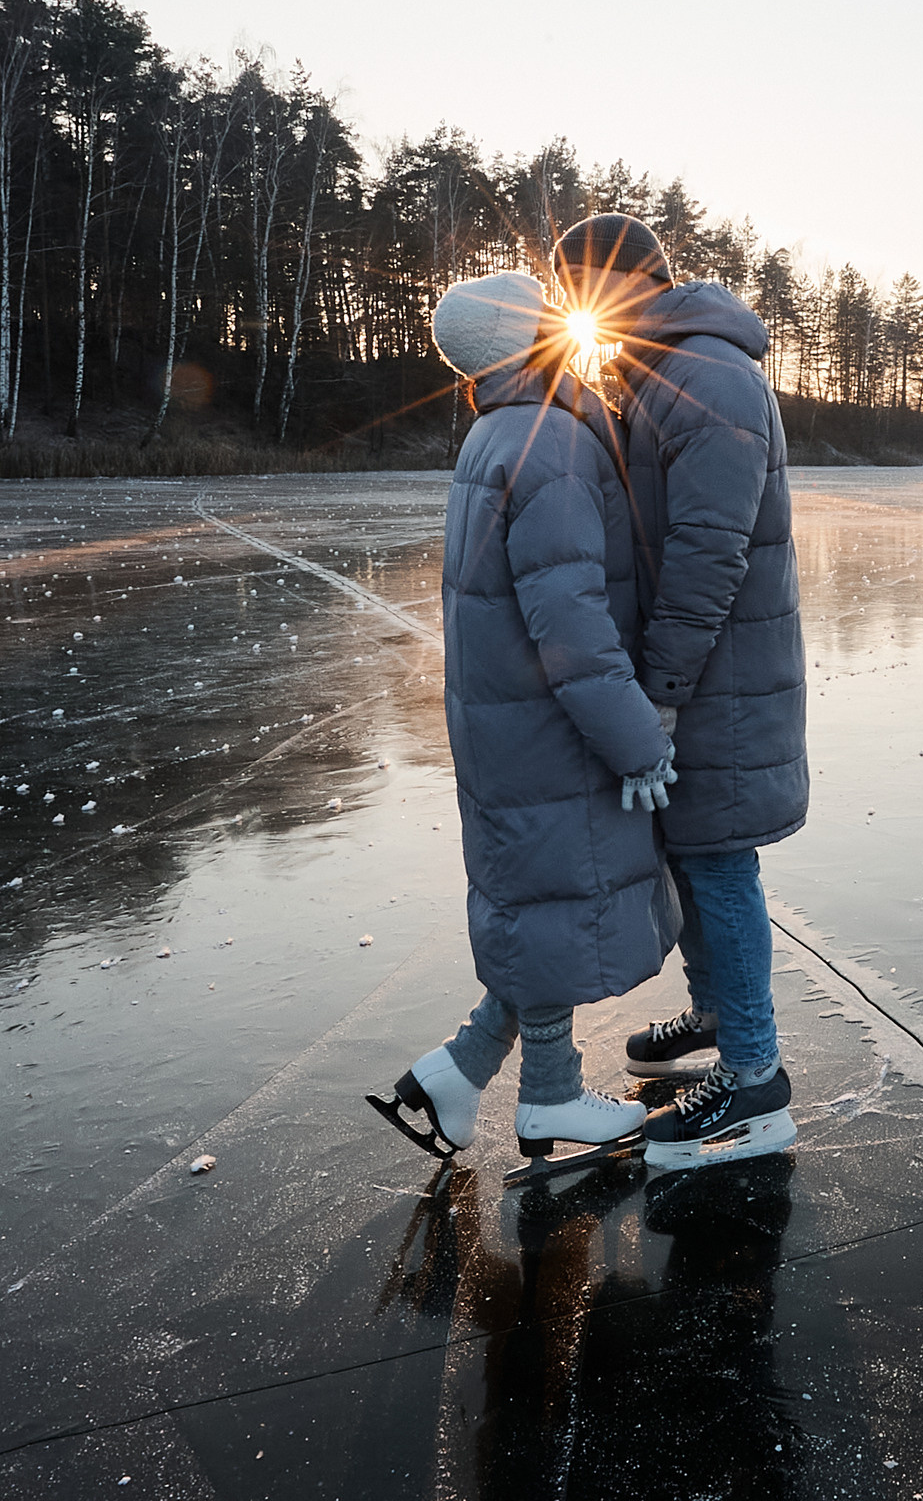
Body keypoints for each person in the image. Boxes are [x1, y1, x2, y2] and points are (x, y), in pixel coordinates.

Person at [369, 269, 684, 1170]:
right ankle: (548, 1098)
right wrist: (638, 742)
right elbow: (572, 625)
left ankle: (458, 1072)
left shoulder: (497, 431)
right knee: (554, 907)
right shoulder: (549, 443)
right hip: (550, 727)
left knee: (543, 904)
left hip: (508, 720)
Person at [554, 213, 809, 1172]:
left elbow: (708, 550)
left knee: (718, 857)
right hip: (701, 668)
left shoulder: (707, 376)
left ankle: (754, 1076)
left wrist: (660, 686)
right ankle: (718, 1013)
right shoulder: (662, 368)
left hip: (718, 677)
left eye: (581, 289)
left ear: (625, 283)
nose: (578, 309)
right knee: (694, 850)